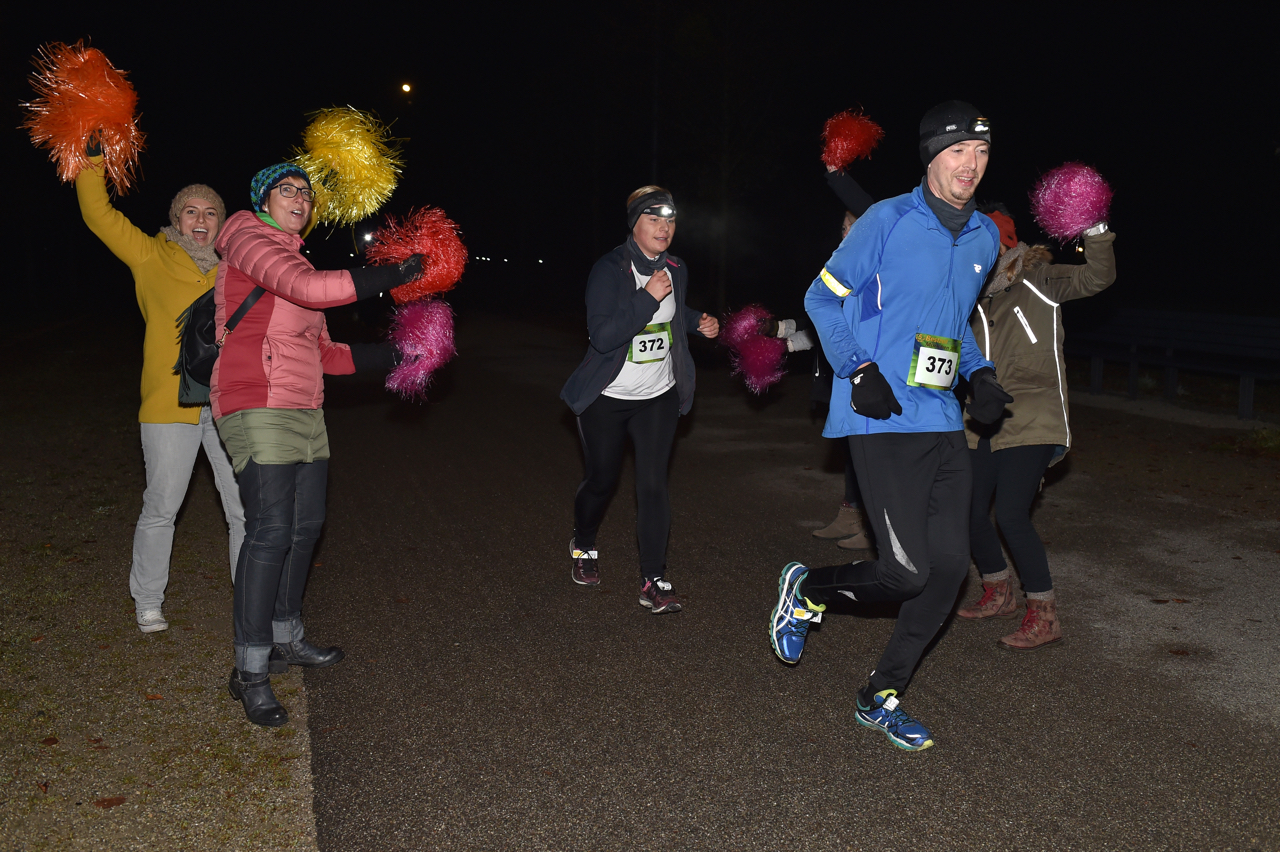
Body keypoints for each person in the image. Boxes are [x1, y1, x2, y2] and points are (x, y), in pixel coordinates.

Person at [769, 101, 1011, 751]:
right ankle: (809, 589)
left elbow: (952, 322)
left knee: (946, 571)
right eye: (958, 150)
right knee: (904, 572)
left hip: (939, 418)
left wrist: (979, 375)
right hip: (878, 414)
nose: (971, 164)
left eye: (982, 152)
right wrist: (856, 367)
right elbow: (822, 296)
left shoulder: (984, 236)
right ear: (931, 155)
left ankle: (881, 693)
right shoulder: (887, 219)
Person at [212, 163, 423, 726]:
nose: (301, 198)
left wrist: (397, 358)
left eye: (306, 192)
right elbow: (310, 290)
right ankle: (250, 672)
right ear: (262, 198)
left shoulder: (297, 259)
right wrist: (390, 273)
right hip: (254, 399)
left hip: (304, 406)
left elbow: (327, 353)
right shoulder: (246, 238)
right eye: (288, 189)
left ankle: (286, 639)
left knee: (305, 528)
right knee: (271, 531)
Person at [74, 147, 245, 635]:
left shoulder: (238, 266)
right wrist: (89, 159)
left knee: (244, 510)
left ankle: (248, 604)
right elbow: (98, 214)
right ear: (176, 218)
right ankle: (148, 600)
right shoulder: (149, 254)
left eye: (211, 212)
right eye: (191, 210)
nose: (201, 218)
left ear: (221, 224)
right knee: (162, 506)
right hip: (169, 406)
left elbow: (286, 236)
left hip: (229, 404)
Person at [956, 205, 1117, 648]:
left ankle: (1044, 614)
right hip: (981, 421)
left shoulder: (1039, 279)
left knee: (1009, 513)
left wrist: (1095, 229)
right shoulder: (965, 297)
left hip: (1034, 415)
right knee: (968, 510)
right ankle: (998, 590)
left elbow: (1097, 277)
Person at [561, 186, 719, 614]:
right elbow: (604, 335)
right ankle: (585, 540)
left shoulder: (676, 268)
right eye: (654, 219)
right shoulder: (609, 269)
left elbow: (675, 310)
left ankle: (654, 579)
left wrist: (696, 321)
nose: (664, 228)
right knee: (602, 480)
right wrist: (647, 295)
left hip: (657, 397)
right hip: (607, 398)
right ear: (634, 224)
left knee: (653, 486)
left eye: (669, 220)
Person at [811, 165, 877, 549]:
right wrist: (781, 336)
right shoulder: (837, 271)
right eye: (842, 230)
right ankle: (851, 513)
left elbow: (869, 212)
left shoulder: (877, 264)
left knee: (871, 449)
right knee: (852, 447)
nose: (845, 235)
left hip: (872, 370)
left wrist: (836, 174)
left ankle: (873, 527)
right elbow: (820, 318)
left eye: (853, 229)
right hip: (841, 374)